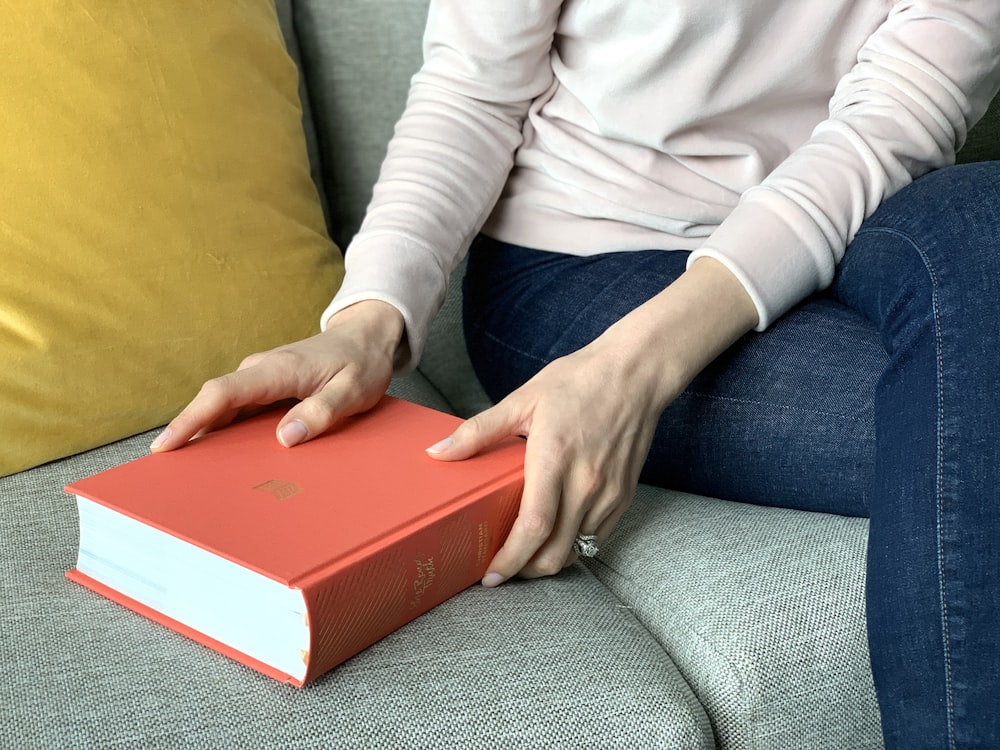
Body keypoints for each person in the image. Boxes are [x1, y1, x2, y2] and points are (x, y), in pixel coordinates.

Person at [151, 2, 1000, 746]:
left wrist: (638, 373)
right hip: (587, 262)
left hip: (846, 223)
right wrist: (371, 318)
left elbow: (886, 129)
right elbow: (474, 92)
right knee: (974, 429)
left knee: (980, 209)